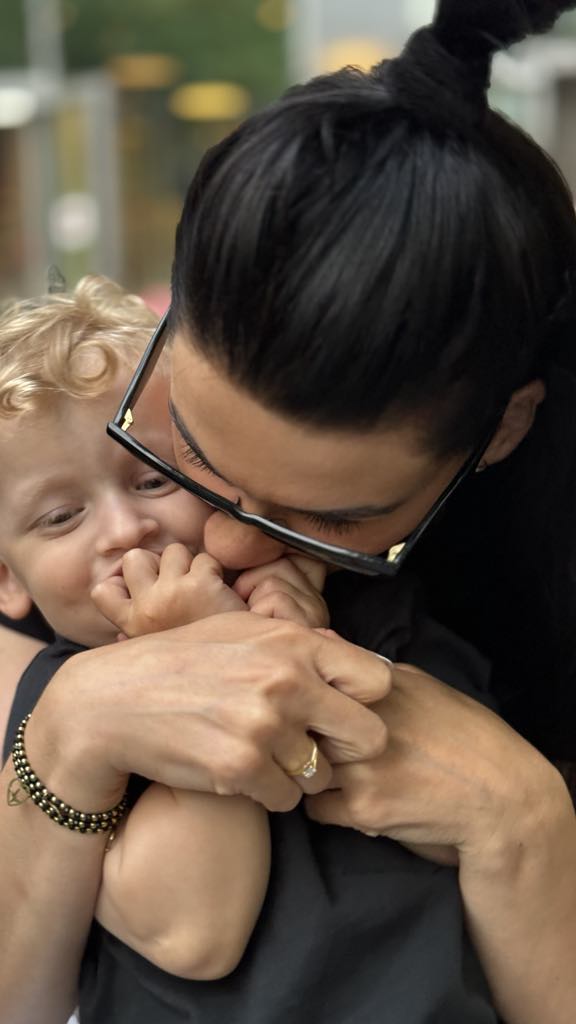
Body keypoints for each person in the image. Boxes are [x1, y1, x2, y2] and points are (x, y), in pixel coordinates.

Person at [2, 0, 576, 1022]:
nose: (221, 538)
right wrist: (71, 728)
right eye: (187, 453)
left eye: (328, 517)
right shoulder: (70, 573)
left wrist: (524, 820)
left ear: (502, 432)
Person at [0, 273, 333, 982]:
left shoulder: (299, 592)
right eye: (60, 517)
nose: (126, 530)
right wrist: (204, 648)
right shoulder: (53, 708)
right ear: (7, 579)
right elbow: (193, 932)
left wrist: (299, 641)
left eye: (153, 478)